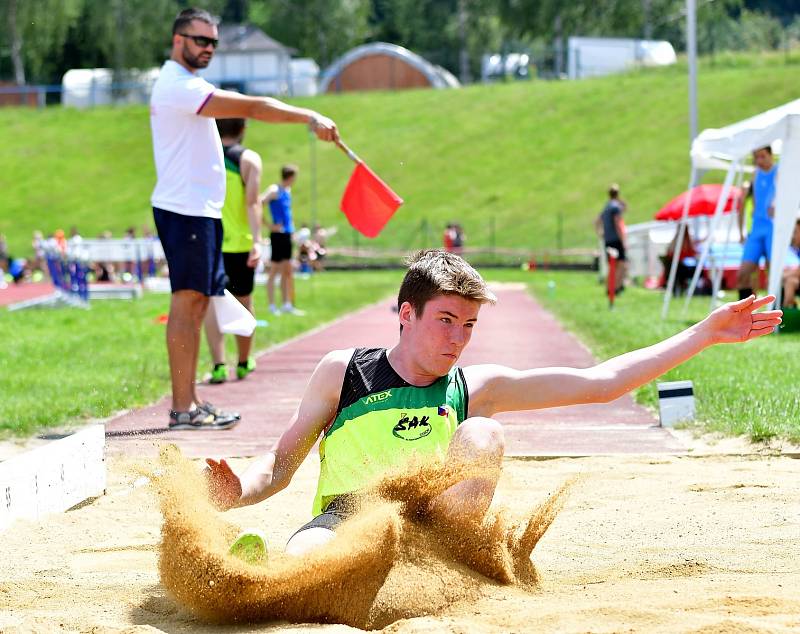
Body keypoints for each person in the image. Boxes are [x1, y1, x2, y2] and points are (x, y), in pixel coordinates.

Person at [206, 249, 781, 559]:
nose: (457, 339)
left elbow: (602, 381)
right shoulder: (344, 372)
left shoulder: (474, 388)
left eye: (469, 325)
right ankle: (274, 574)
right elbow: (280, 466)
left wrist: (702, 333)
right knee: (310, 551)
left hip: (428, 532)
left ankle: (442, 566)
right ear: (407, 313)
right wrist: (240, 493)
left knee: (484, 435)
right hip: (346, 521)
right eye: (446, 321)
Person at [150, 7, 339, 431]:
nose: (209, 49)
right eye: (201, 41)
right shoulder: (177, 85)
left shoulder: (187, 83)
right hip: (185, 210)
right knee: (187, 302)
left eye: (214, 43)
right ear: (178, 40)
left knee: (199, 304)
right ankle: (183, 408)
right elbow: (253, 106)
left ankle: (191, 401)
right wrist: (308, 116)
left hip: (199, 211)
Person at [204, 117, 263, 384]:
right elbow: (252, 203)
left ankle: (218, 364)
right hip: (240, 242)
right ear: (243, 129)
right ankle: (242, 362)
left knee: (212, 304)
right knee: (244, 301)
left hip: (210, 242)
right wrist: (257, 241)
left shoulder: (204, 155)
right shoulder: (249, 160)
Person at [262, 165, 304, 316]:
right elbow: (259, 203)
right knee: (274, 270)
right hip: (278, 234)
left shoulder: (288, 191)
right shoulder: (275, 190)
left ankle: (287, 304)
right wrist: (268, 225)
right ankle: (272, 305)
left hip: (287, 234)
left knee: (287, 270)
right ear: (290, 176)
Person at [737, 147, 777, 300]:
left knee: (773, 273)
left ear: (771, 155)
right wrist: (742, 232)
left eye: (762, 156)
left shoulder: (780, 171)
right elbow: (750, 205)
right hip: (756, 229)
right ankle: (744, 317)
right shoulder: (755, 174)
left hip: (773, 229)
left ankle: (777, 315)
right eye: (756, 157)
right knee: (743, 273)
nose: (759, 161)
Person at [595, 184, 627, 293]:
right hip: (616, 239)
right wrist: (623, 240)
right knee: (622, 265)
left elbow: (597, 221)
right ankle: (616, 288)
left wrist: (600, 233)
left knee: (612, 265)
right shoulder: (615, 207)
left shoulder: (607, 206)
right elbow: (618, 223)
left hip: (608, 240)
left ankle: (609, 288)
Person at [781, 218, 800, 308]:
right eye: (793, 232)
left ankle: (785, 314)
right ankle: (787, 310)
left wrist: (784, 275)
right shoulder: (787, 250)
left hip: (791, 278)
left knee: (790, 281)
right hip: (791, 279)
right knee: (790, 282)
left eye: (796, 232)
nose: (793, 235)